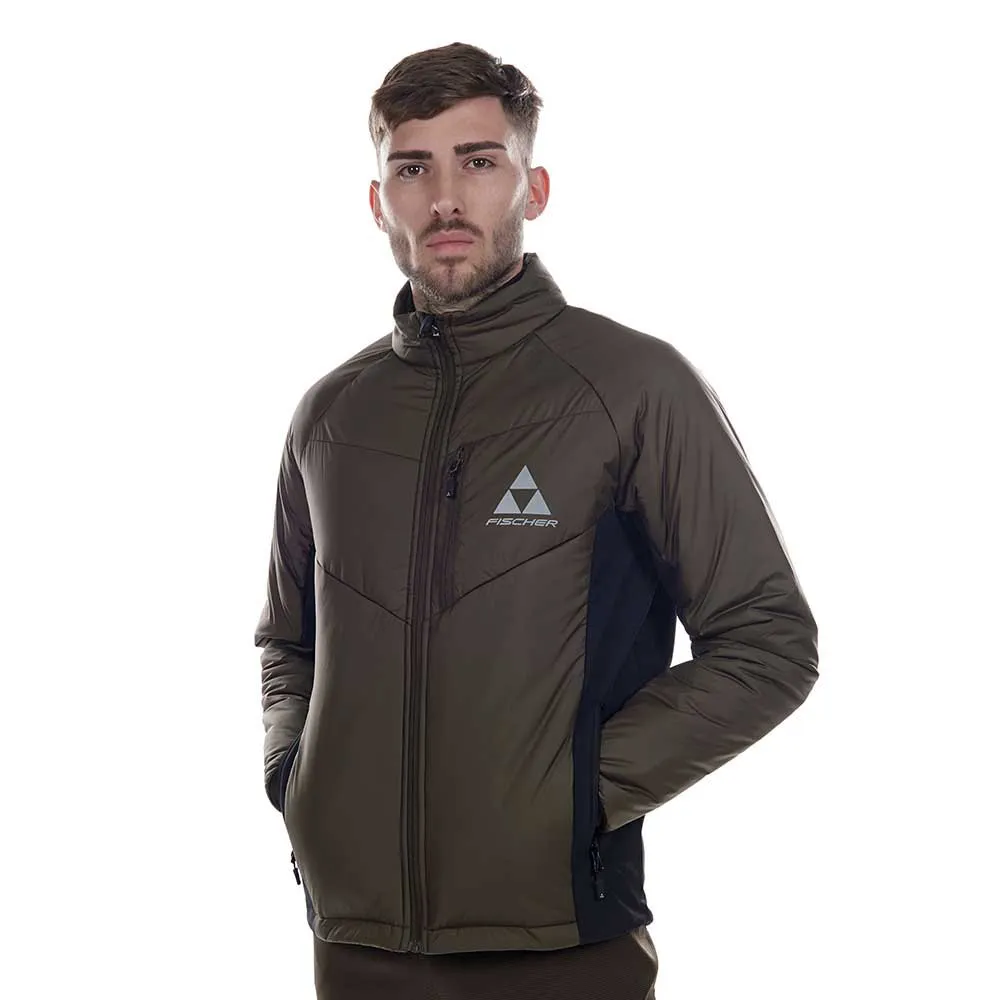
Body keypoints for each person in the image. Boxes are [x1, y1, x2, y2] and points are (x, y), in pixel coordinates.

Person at [255, 41, 820, 1000]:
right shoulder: (332, 416)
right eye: (412, 168)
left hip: (563, 945)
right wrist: (298, 779)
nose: (445, 199)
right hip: (355, 943)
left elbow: (769, 642)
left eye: (478, 161)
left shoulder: (632, 387)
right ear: (378, 200)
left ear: (535, 187)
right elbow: (288, 638)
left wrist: (574, 796)